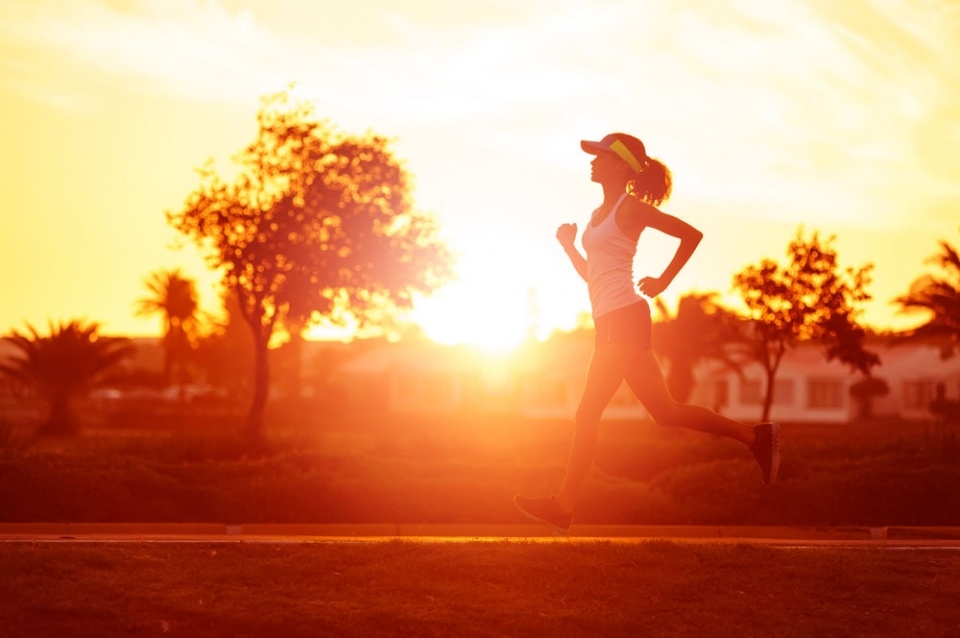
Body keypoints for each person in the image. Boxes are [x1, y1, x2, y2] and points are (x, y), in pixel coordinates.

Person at [513, 133, 779, 534]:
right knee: (666, 412)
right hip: (612, 321)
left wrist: (664, 280)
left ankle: (564, 504)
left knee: (587, 413)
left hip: (624, 318)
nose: (592, 161)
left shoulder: (630, 209)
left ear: (621, 165)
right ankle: (755, 437)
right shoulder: (598, 214)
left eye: (600, 156)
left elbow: (691, 235)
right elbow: (593, 276)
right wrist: (569, 247)